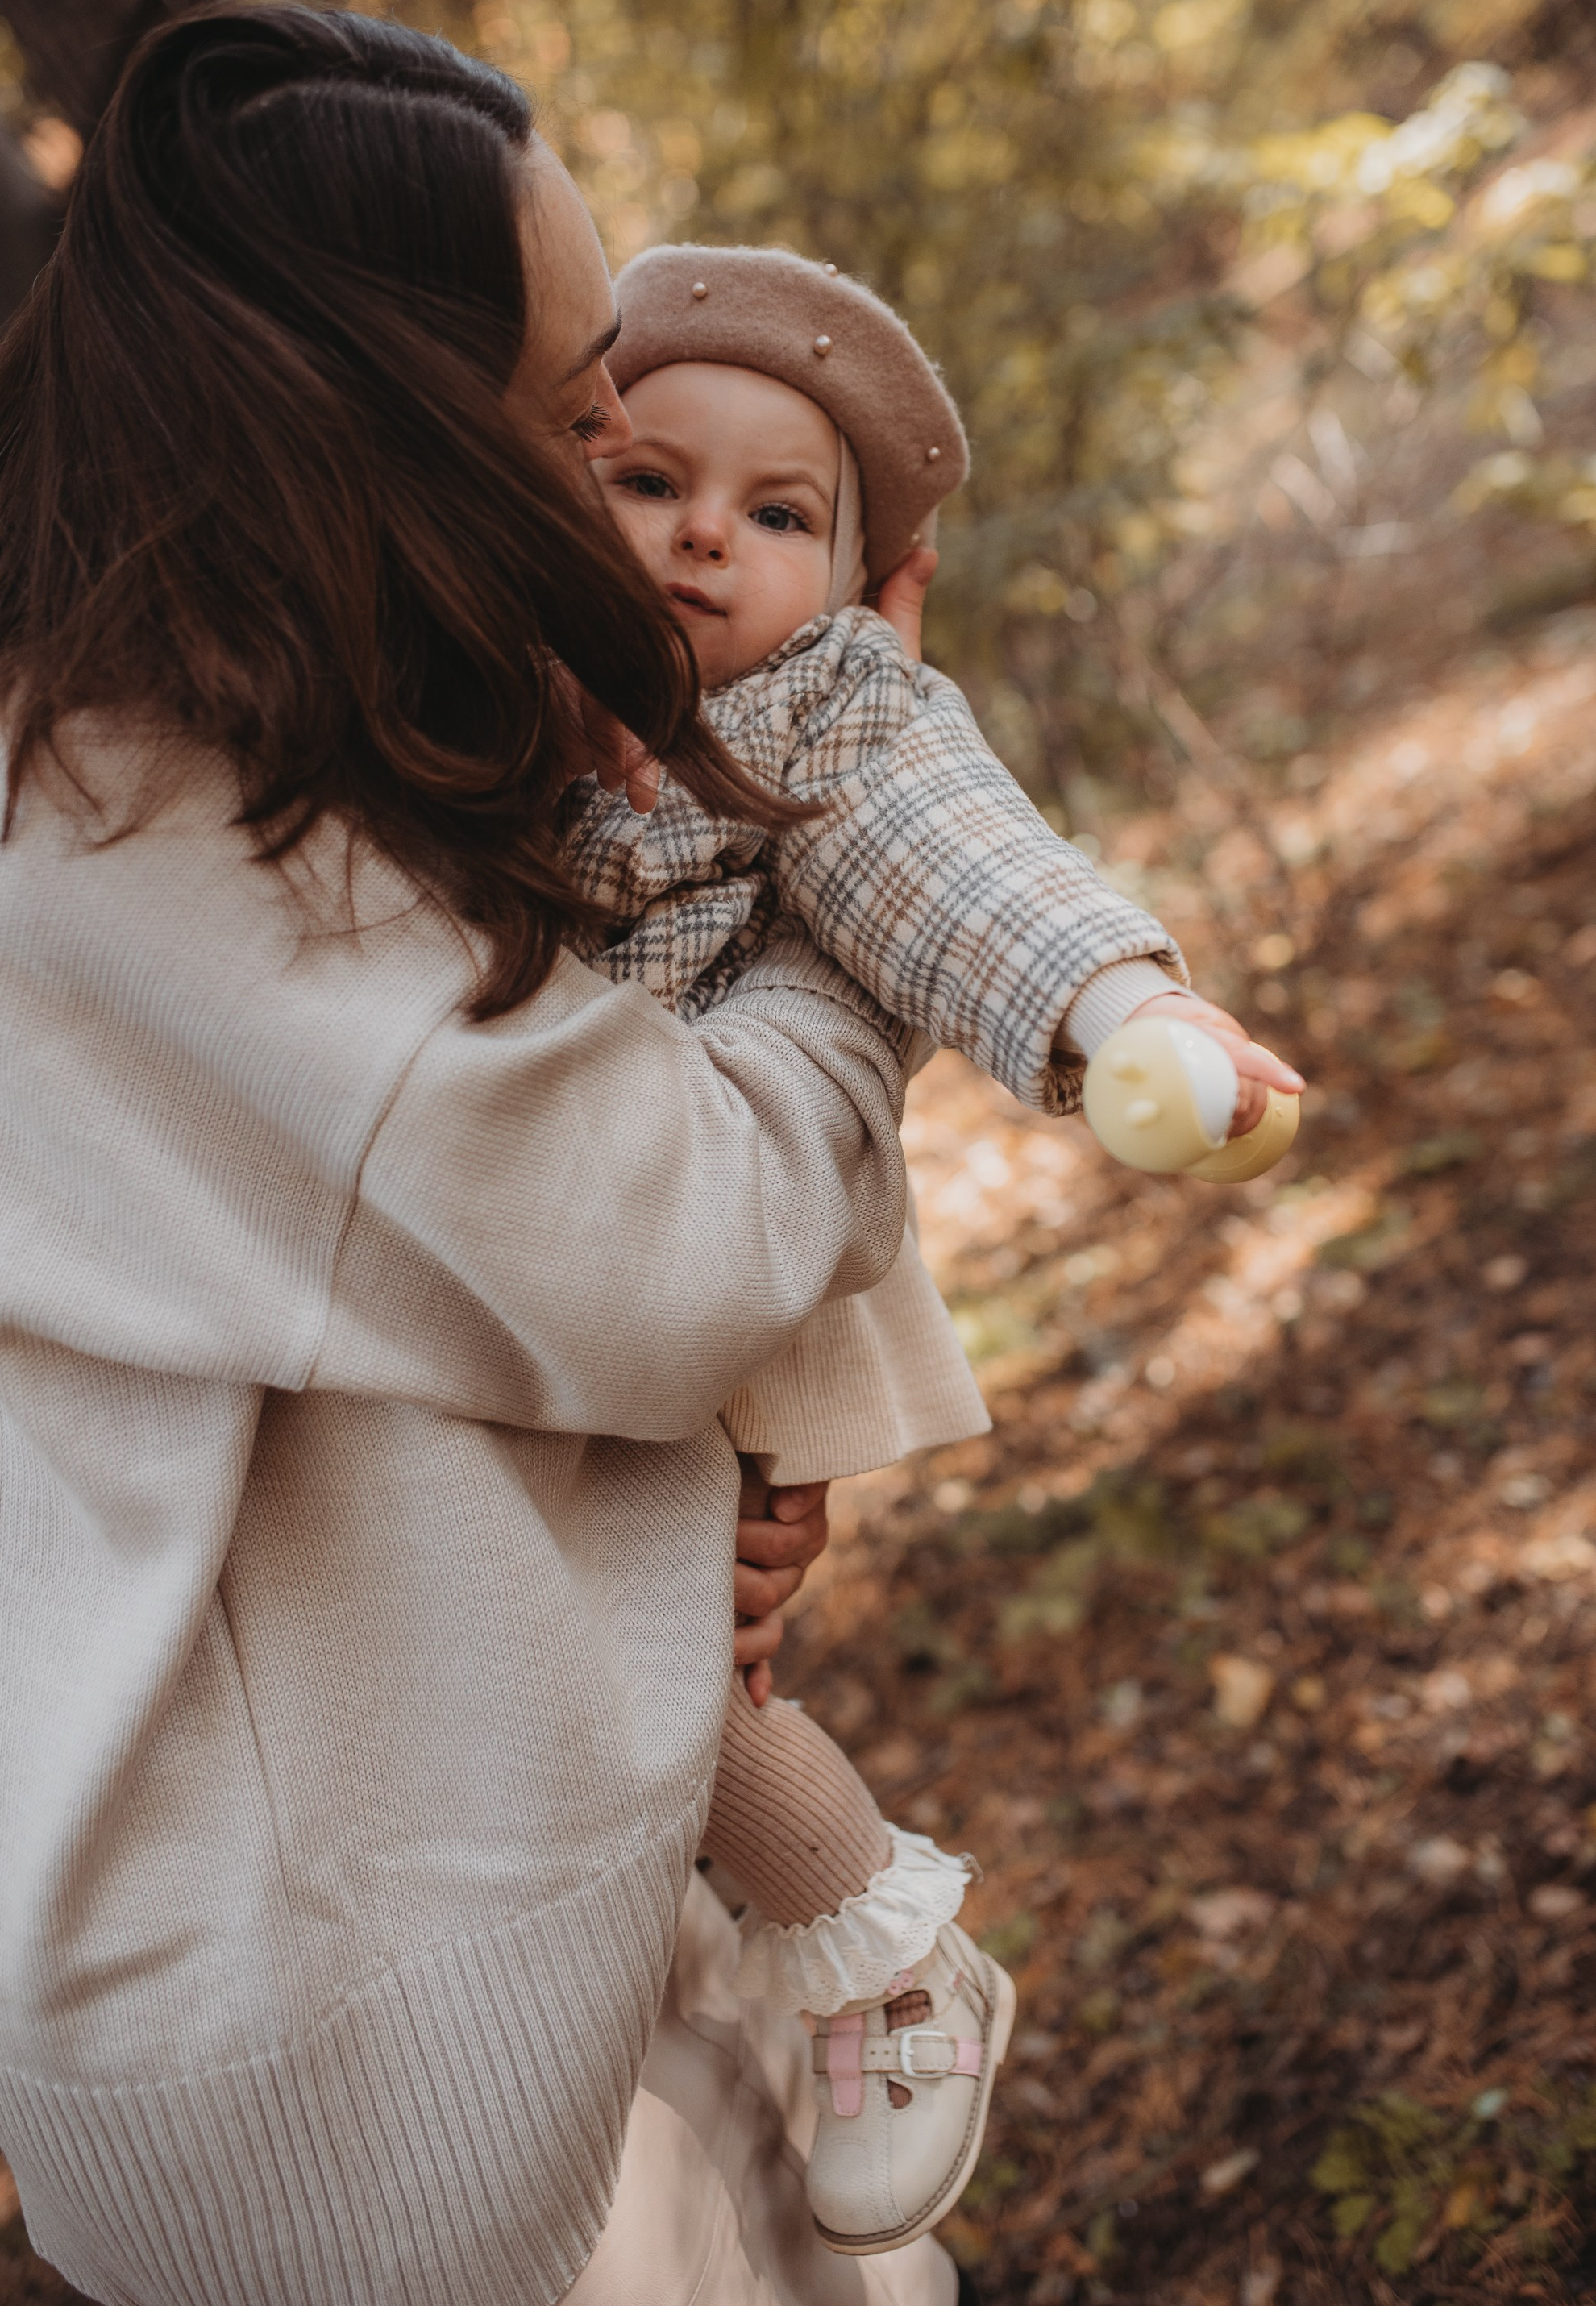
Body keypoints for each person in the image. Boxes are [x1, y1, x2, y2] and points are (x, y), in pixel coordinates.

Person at [0, 7, 954, 2306]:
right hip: (376, 2067)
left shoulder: (180, 747)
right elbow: (690, 1237)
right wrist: (849, 873)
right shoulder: (148, 854)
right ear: (363, 414)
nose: (614, 457)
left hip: (468, 1930)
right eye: (559, 411)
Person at [563, 243, 1306, 2255]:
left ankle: (875, 1951)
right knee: (596, 1675)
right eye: (646, 478)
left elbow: (957, 863)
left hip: (714, 1291)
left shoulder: (823, 713)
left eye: (780, 513)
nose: (707, 533)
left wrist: (1125, 1014)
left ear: (843, 581)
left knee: (675, 1658)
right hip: (517, 1276)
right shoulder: (455, 681)